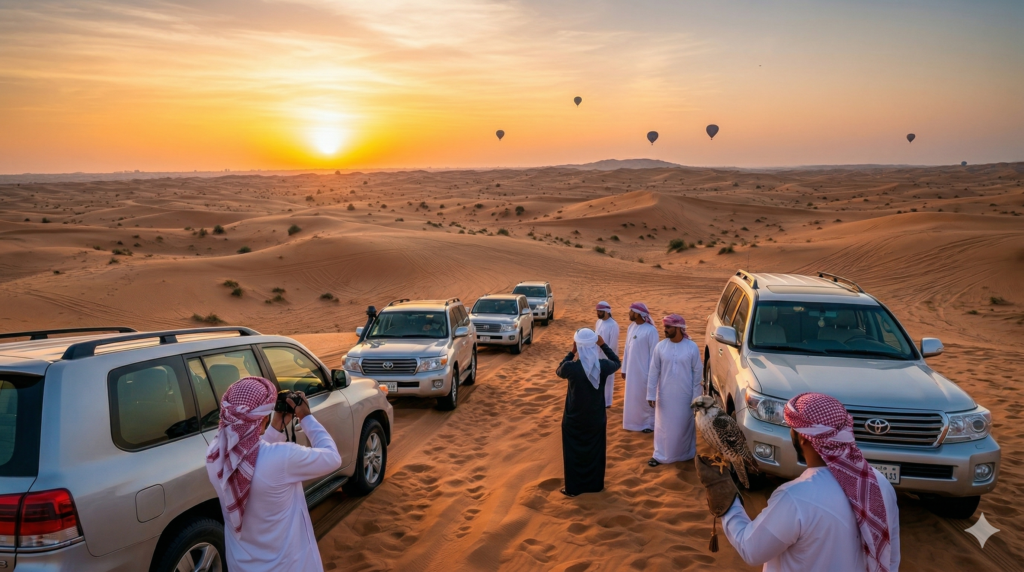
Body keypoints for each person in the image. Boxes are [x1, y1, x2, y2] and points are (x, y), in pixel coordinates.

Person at [713, 392, 901, 572]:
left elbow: (751, 549)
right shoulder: (880, 484)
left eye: (792, 428)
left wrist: (726, 499)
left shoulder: (796, 497)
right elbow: (891, 560)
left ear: (803, 438)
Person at [206, 377, 342, 572]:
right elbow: (332, 457)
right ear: (261, 419)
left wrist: (276, 425)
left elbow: (251, 458)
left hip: (241, 565)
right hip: (286, 566)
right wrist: (306, 417)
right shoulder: (282, 457)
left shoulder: (215, 456)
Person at [555, 328, 621, 497]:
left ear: (578, 345)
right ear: (593, 345)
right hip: (596, 418)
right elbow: (616, 361)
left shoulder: (571, 368)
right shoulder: (603, 366)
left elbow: (559, 369)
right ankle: (595, 486)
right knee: (595, 453)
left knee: (573, 454)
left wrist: (572, 352)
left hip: (573, 419)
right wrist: (603, 344)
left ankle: (574, 489)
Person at [646, 314, 702, 466]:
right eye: (665, 327)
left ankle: (686, 455)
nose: (665, 330)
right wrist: (650, 394)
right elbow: (653, 372)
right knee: (663, 426)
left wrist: (696, 398)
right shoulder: (660, 347)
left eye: (668, 327)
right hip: (665, 394)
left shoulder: (692, 347)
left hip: (685, 396)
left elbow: (698, 374)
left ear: (678, 329)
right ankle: (660, 456)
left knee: (684, 425)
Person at [621, 302, 659, 433]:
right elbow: (627, 349)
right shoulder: (631, 327)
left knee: (645, 399)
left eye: (631, 311)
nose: (629, 313)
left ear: (638, 314)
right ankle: (632, 423)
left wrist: (652, 375)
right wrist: (624, 369)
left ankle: (648, 425)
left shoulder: (651, 330)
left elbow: (654, 355)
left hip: (645, 372)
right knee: (632, 397)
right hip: (632, 371)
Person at [593, 301, 620, 408]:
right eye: (597, 311)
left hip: (608, 357)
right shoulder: (598, 322)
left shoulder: (613, 325)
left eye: (600, 311)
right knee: (597, 379)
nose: (598, 313)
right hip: (597, 355)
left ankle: (607, 403)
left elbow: (613, 344)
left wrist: (607, 354)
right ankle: (598, 401)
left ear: (607, 311)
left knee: (608, 380)